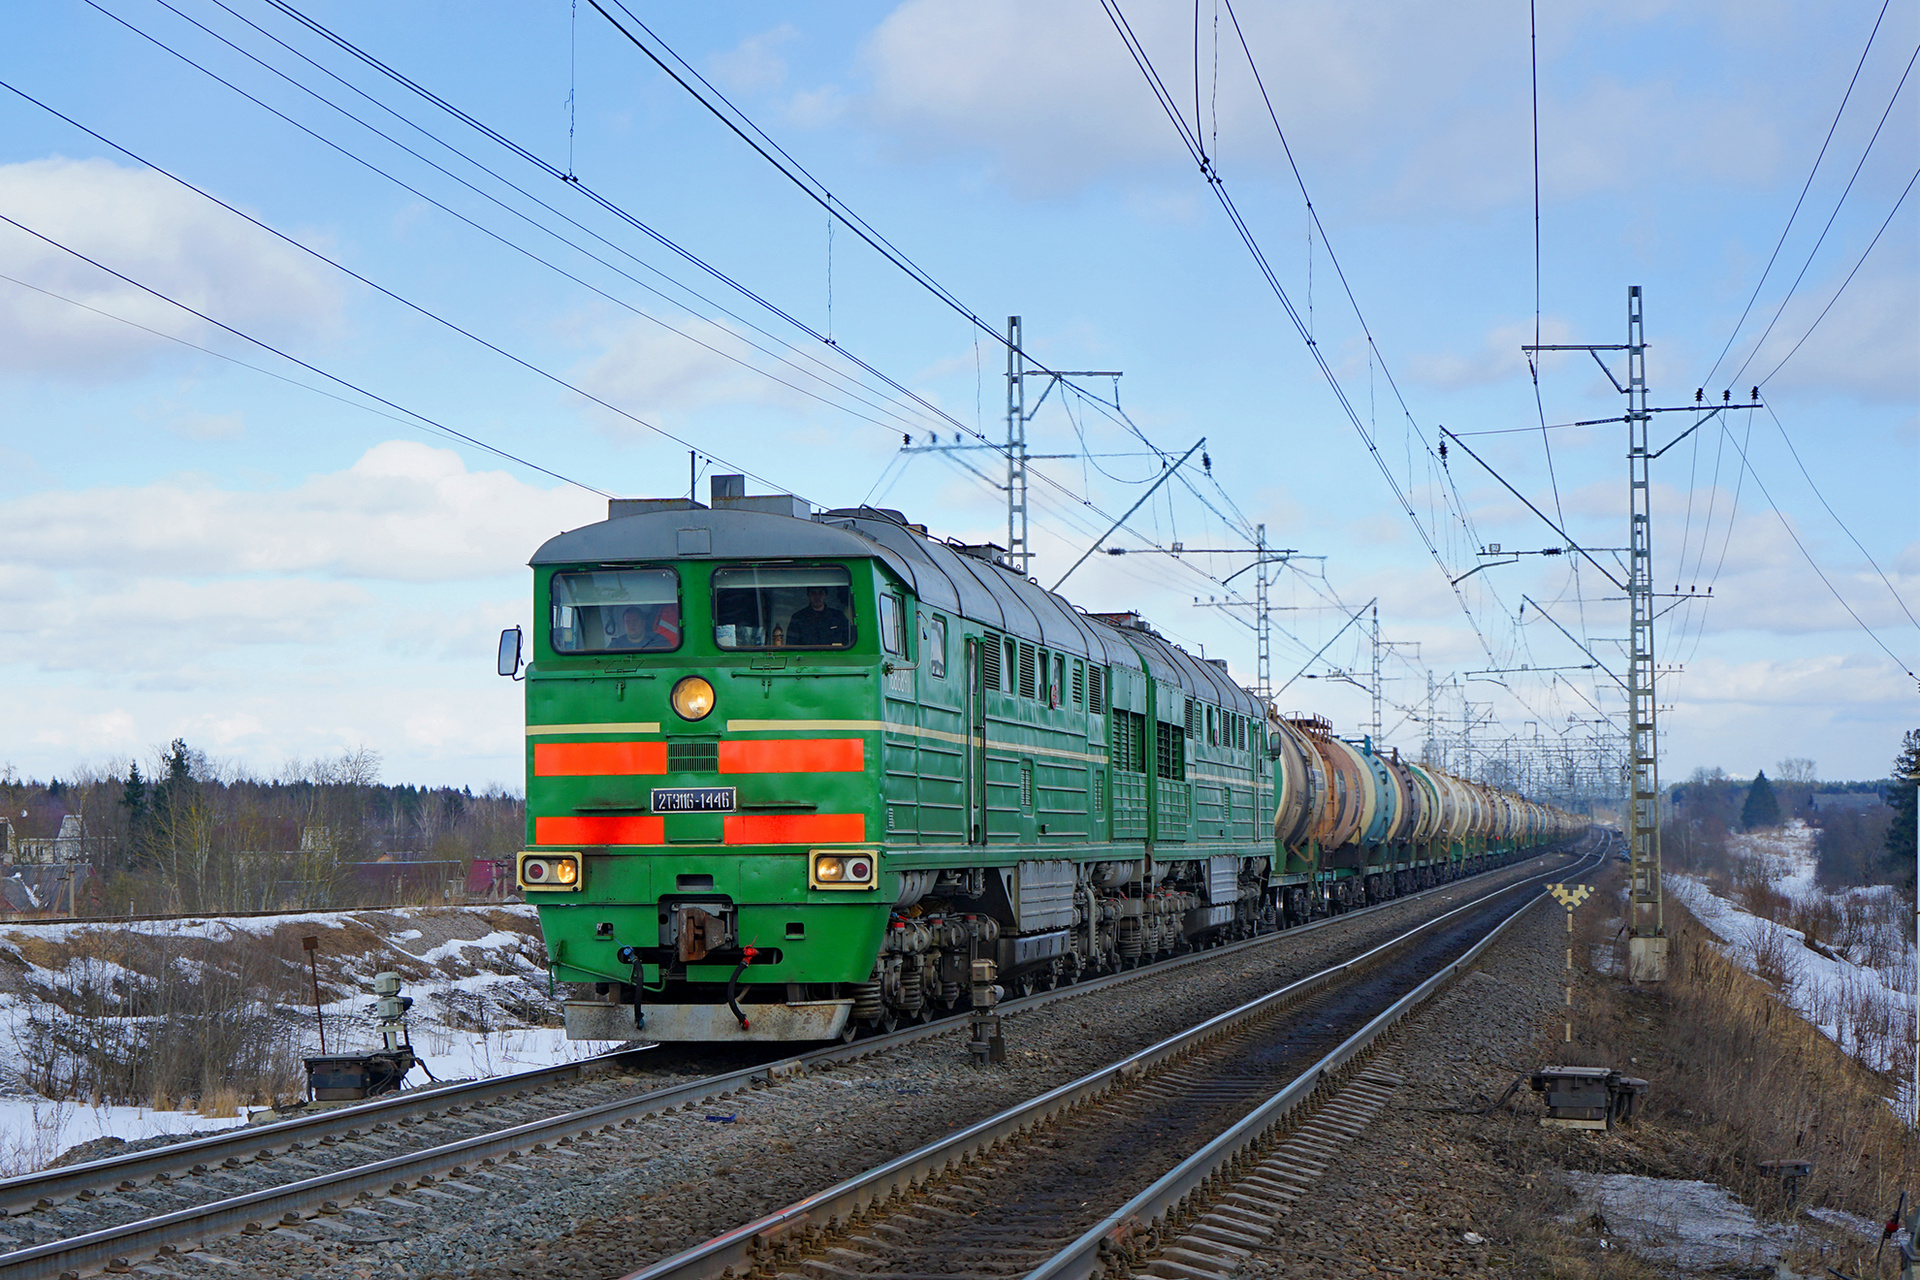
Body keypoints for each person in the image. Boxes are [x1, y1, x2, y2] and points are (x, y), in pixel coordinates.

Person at [612, 603, 681, 650]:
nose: (632, 624)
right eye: (628, 622)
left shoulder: (660, 641)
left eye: (635, 620)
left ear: (643, 622)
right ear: (624, 624)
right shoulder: (616, 645)